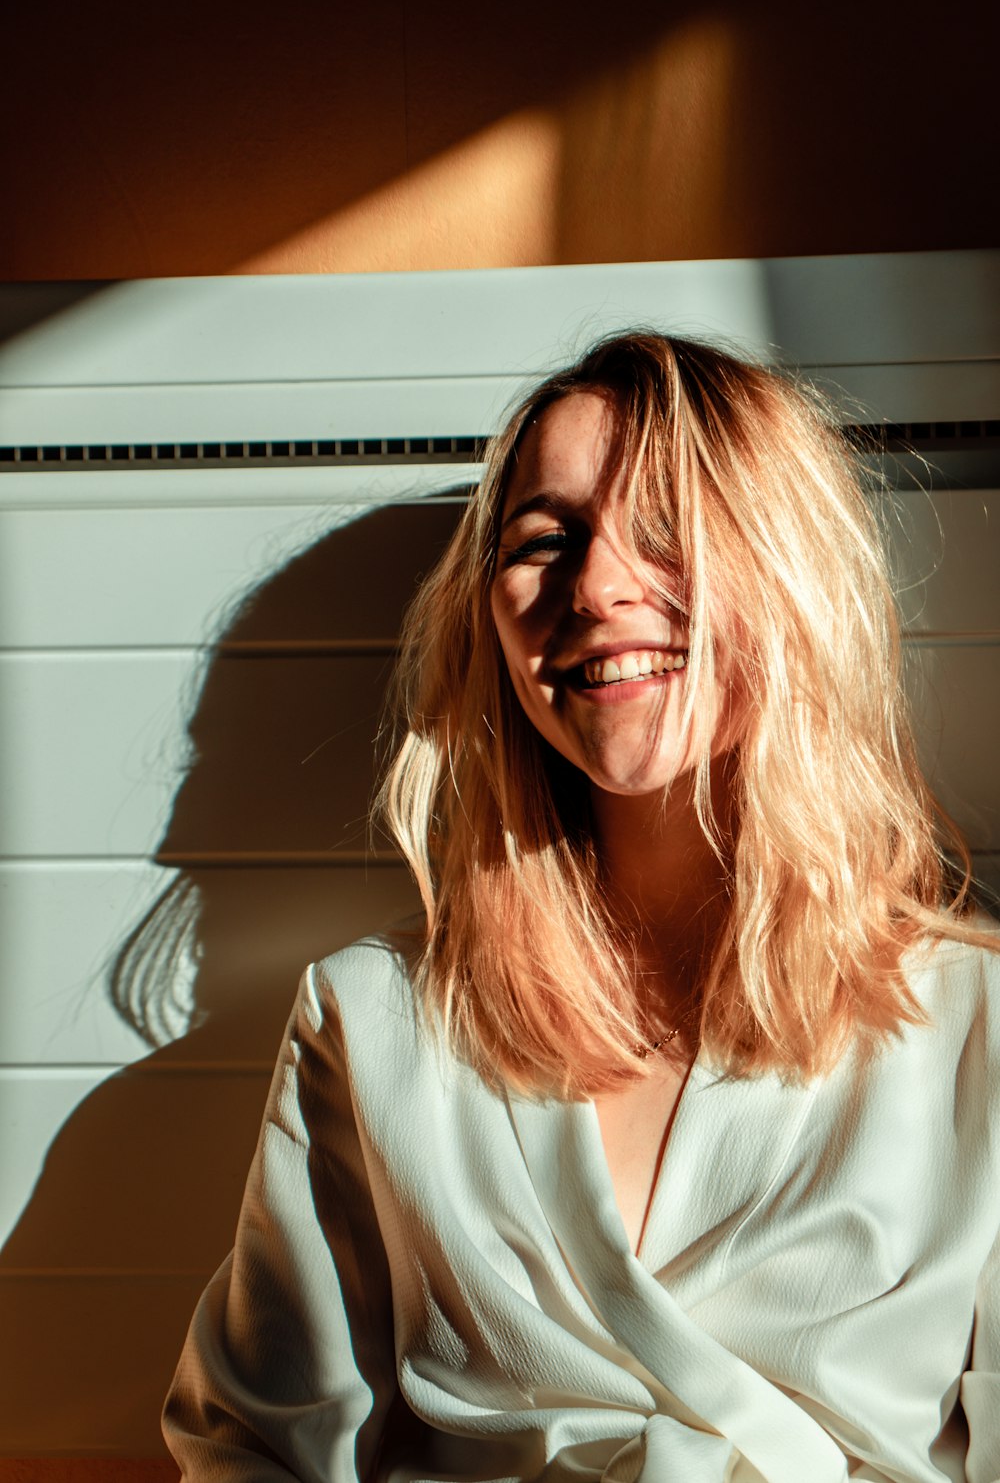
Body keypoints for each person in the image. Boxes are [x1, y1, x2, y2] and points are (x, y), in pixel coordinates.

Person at [162, 332, 1000, 1481]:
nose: (597, 587)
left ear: (791, 572)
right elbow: (254, 1445)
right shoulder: (373, 1024)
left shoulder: (980, 1026)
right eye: (543, 541)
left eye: (666, 528)